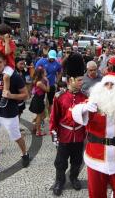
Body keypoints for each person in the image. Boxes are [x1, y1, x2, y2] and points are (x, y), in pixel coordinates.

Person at [49, 54, 87, 196]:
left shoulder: (85, 97)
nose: (81, 82)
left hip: (78, 135)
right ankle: (59, 181)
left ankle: (74, 177)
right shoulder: (60, 97)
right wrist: (53, 133)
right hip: (64, 136)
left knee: (77, 160)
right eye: (79, 80)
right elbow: (54, 117)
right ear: (70, 80)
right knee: (60, 162)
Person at [35, 50, 62, 114]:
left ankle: (50, 116)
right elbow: (36, 70)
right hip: (42, 84)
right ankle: (40, 117)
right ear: (48, 56)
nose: (52, 59)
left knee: (50, 102)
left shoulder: (57, 63)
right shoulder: (42, 61)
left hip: (51, 84)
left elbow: (60, 72)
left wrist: (57, 81)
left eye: (53, 58)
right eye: (51, 58)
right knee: (40, 102)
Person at [29, 67, 49, 136]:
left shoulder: (39, 80)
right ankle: (38, 131)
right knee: (39, 116)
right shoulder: (39, 82)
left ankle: (35, 127)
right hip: (38, 100)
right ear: (42, 73)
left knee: (42, 115)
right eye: (45, 71)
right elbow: (47, 90)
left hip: (38, 99)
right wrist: (47, 81)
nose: (46, 72)